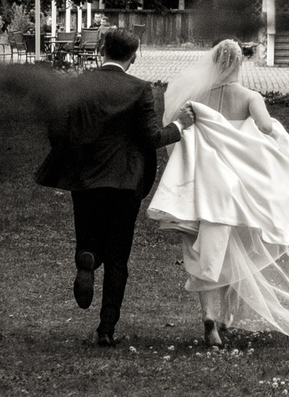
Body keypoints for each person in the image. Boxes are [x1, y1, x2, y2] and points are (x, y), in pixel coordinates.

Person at [146, 38, 289, 346]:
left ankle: (210, 318)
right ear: (240, 64)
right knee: (235, 248)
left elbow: (178, 130)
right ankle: (227, 316)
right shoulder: (250, 96)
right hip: (237, 188)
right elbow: (266, 127)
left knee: (203, 252)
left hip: (202, 187)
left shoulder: (195, 98)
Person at [33, 27, 192, 346]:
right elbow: (151, 137)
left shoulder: (78, 84)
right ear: (133, 56)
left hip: (86, 178)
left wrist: (73, 153)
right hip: (126, 180)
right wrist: (179, 126)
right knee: (119, 256)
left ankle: (87, 256)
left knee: (88, 232)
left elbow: (57, 127)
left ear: (102, 48)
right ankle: (106, 329)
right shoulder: (140, 89)